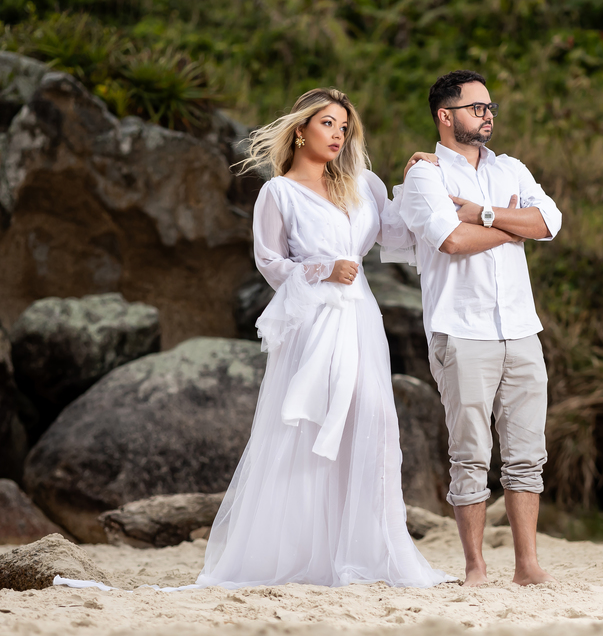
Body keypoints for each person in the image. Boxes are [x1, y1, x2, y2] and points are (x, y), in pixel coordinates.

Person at [192, 87, 449, 588]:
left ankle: (367, 552)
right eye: (328, 123)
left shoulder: (362, 184)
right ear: (301, 129)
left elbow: (398, 235)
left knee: (371, 419)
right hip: (313, 320)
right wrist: (323, 268)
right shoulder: (278, 192)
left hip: (360, 317)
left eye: (344, 126)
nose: (338, 134)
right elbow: (269, 263)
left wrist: (417, 178)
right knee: (310, 427)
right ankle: (305, 554)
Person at [397, 69, 561, 587]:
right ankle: (475, 568)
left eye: (490, 107)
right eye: (475, 107)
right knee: (469, 453)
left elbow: (550, 224)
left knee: (526, 452)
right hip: (460, 329)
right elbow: (451, 241)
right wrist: (512, 227)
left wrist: (483, 213)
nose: (487, 115)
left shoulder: (510, 168)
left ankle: (527, 566)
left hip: (520, 328)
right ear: (446, 116)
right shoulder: (425, 177)